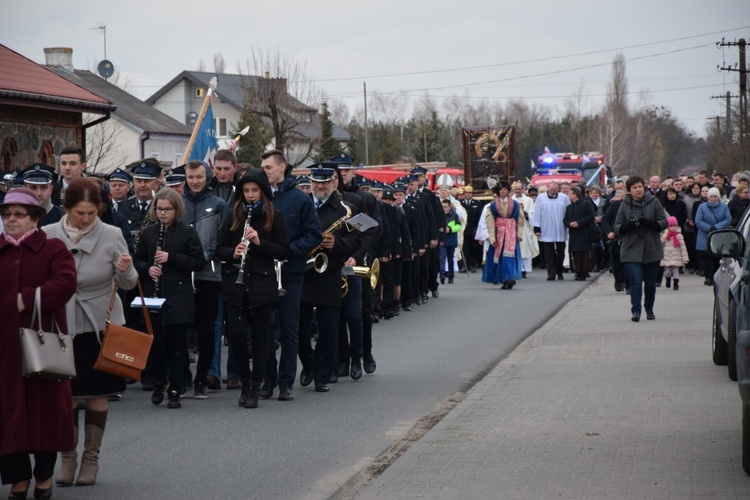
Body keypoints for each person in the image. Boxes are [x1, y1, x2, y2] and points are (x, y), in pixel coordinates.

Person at [42, 178, 138, 488]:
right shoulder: (48, 234)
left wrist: (125, 268)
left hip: (99, 324)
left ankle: (91, 459)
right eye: (79, 213)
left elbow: (129, 284)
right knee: (64, 395)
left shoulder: (111, 234)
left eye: (91, 213)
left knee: (97, 392)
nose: (85, 219)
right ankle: (67, 458)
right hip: (60, 324)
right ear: (66, 208)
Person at [0, 189, 77, 500]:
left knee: (46, 412)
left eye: (18, 215)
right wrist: (11, 304)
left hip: (43, 343)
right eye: (6, 215)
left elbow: (66, 282)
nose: (10, 220)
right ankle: (18, 477)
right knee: (7, 413)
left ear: (34, 219)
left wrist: (26, 299)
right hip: (4, 348)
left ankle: (44, 474)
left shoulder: (53, 248)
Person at [216, 170, 289, 408]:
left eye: (254, 191)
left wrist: (259, 242)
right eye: (246, 191)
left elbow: (283, 250)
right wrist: (233, 252)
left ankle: (256, 385)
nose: (250, 195)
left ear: (263, 192)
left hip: (262, 284)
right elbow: (219, 248)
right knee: (236, 336)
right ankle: (245, 381)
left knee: (260, 338)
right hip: (235, 286)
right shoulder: (233, 215)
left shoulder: (273, 216)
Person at [134, 189, 205, 409]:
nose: (163, 213)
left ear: (176, 209)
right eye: (159, 209)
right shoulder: (148, 233)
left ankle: (175, 389)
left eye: (167, 209)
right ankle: (158, 383)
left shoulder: (186, 233)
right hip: (154, 296)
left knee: (176, 345)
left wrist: (171, 257)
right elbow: (136, 261)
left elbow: (198, 261)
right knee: (156, 344)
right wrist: (148, 269)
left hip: (178, 296)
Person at [260, 150, 321, 401]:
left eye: (268, 167)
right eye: (262, 167)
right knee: (264, 329)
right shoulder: (257, 197)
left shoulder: (300, 199)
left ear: (282, 167)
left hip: (291, 272)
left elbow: (313, 234)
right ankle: (268, 379)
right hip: (263, 273)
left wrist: (288, 252)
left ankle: (286, 382)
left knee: (288, 329)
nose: (264, 171)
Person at [298, 165, 361, 393]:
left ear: (334, 183)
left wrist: (338, 244)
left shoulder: (348, 210)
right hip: (303, 274)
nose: (320, 186)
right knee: (299, 326)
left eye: (324, 182)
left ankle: (322, 374)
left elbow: (358, 240)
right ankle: (308, 365)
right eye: (316, 182)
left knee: (329, 329)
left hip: (330, 273)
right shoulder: (301, 205)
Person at [181, 161, 227, 399]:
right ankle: (183, 378)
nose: (195, 181)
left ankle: (202, 379)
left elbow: (224, 239)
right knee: (180, 331)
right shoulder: (178, 203)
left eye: (199, 177)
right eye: (191, 177)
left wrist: (206, 256)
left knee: (207, 331)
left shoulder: (219, 205)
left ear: (207, 177)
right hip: (180, 276)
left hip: (209, 276)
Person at [614, 176, 668, 322]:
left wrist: (650, 224)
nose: (638, 190)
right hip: (631, 248)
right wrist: (628, 226)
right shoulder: (625, 204)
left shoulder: (654, 201)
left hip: (651, 247)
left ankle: (649, 309)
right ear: (629, 190)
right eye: (634, 188)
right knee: (636, 280)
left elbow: (663, 221)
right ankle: (636, 311)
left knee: (650, 283)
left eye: (640, 187)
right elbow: (617, 226)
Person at [481, 181, 524, 289]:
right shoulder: (493, 205)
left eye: (505, 189)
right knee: (499, 257)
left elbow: (520, 219)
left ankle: (509, 277)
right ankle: (503, 279)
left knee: (509, 256)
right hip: (498, 232)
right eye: (501, 189)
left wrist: (519, 233)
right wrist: (492, 237)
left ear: (508, 191)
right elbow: (490, 221)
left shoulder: (515, 204)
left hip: (511, 233)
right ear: (498, 191)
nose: (503, 191)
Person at [532, 182, 570, 280]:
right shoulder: (541, 198)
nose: (553, 192)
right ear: (549, 188)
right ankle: (551, 273)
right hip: (546, 228)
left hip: (560, 228)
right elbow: (537, 213)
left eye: (555, 190)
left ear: (558, 189)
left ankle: (559, 270)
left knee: (561, 252)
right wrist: (537, 228)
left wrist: (569, 224)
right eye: (551, 190)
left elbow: (569, 211)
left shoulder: (564, 198)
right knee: (549, 253)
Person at [694, 187, 732, 286]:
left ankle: (715, 276)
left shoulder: (724, 207)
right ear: (708, 197)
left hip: (719, 235)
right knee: (706, 258)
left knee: (717, 257)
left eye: (715, 196)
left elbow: (728, 220)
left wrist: (716, 227)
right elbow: (698, 220)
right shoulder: (702, 207)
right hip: (704, 235)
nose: (713, 199)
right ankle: (708, 277)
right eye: (711, 197)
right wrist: (709, 228)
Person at [564, 187, 595, 281]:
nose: (568, 196)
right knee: (575, 253)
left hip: (584, 232)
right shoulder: (569, 207)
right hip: (573, 233)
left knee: (584, 253)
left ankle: (584, 271)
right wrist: (569, 224)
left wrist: (579, 223)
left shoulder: (586, 204)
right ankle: (577, 271)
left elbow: (591, 217)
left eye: (570, 194)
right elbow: (565, 220)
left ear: (575, 195)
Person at [660, 216, 689, 290]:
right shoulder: (666, 236)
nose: (673, 228)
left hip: (676, 257)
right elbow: (661, 245)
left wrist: (685, 258)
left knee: (676, 271)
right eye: (671, 226)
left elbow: (683, 248)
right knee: (668, 272)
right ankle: (668, 279)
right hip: (667, 257)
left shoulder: (679, 236)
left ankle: (676, 284)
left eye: (674, 226)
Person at [440, 198, 462, 284]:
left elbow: (459, 226)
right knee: (442, 257)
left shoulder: (454, 215)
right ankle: (442, 274)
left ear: (449, 207)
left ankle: (451, 275)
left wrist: (450, 229)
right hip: (442, 239)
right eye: (442, 207)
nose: (443, 208)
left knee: (450, 258)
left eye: (445, 206)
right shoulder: (439, 215)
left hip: (451, 239)